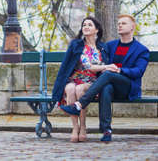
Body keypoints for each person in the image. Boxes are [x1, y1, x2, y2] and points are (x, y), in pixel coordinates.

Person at [61, 14, 150, 142]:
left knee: (108, 74)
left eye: (123, 23)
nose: (119, 25)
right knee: (106, 87)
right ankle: (106, 130)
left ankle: (80, 104)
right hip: (110, 85)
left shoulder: (141, 50)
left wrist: (120, 70)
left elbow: (138, 71)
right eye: (118, 23)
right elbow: (96, 59)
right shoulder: (110, 46)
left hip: (127, 87)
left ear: (132, 27)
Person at [52, 16, 109, 142]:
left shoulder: (102, 48)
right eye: (84, 25)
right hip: (73, 78)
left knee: (79, 89)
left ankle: (83, 127)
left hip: (93, 82)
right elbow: (65, 65)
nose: (86, 27)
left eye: (90, 25)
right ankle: (75, 127)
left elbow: (103, 68)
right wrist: (59, 85)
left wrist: (106, 67)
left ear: (97, 30)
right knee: (72, 88)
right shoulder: (76, 45)